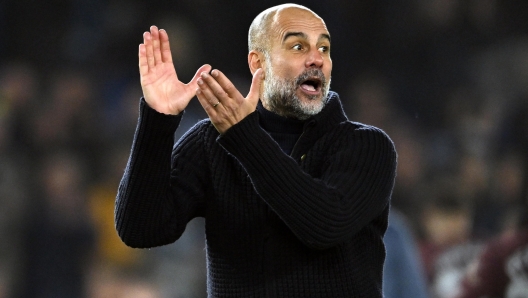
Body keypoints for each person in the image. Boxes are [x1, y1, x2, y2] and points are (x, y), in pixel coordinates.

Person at [115, 3, 397, 297]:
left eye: (324, 48)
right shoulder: (212, 141)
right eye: (298, 46)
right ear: (257, 63)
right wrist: (157, 120)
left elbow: (325, 225)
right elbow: (140, 228)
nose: (316, 59)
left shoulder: (367, 146)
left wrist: (245, 137)